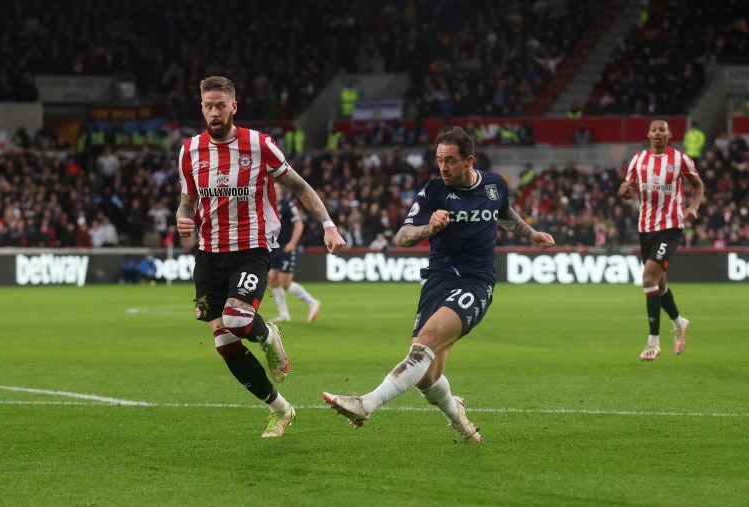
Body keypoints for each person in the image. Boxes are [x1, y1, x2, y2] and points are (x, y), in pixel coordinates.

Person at [322, 127, 555, 443]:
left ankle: (365, 404)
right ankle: (457, 415)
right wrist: (428, 228)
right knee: (426, 377)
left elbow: (503, 213)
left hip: (476, 283)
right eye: (439, 160)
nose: (442, 167)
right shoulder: (433, 191)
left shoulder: (495, 185)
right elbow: (402, 237)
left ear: (468, 160)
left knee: (427, 341)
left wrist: (531, 234)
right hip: (438, 281)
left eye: (450, 160)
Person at [176, 76, 346, 438]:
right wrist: (183, 216)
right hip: (208, 254)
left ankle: (269, 335)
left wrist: (329, 225)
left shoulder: (258, 145)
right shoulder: (189, 150)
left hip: (250, 249)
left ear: (233, 106)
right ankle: (280, 408)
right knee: (224, 342)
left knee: (238, 320)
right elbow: (188, 200)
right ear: (202, 107)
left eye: (221, 105)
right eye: (208, 105)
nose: (214, 111)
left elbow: (299, 186)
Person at [618, 117, 704, 361]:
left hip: (672, 227)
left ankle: (653, 342)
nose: (657, 134)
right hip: (646, 229)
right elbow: (627, 188)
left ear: (669, 134)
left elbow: (698, 185)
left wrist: (693, 207)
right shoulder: (638, 160)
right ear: (648, 134)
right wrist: (623, 191)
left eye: (662, 130)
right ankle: (679, 321)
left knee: (648, 278)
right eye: (654, 130)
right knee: (660, 283)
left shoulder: (680, 159)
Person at [267, 182, 322, 324]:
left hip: (286, 247)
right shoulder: (267, 204)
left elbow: (299, 224)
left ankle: (313, 302)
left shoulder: (287, 205)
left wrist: (292, 243)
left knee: (285, 283)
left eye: (276, 188)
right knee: (272, 279)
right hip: (273, 247)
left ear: (280, 191)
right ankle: (284, 314)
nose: (273, 189)